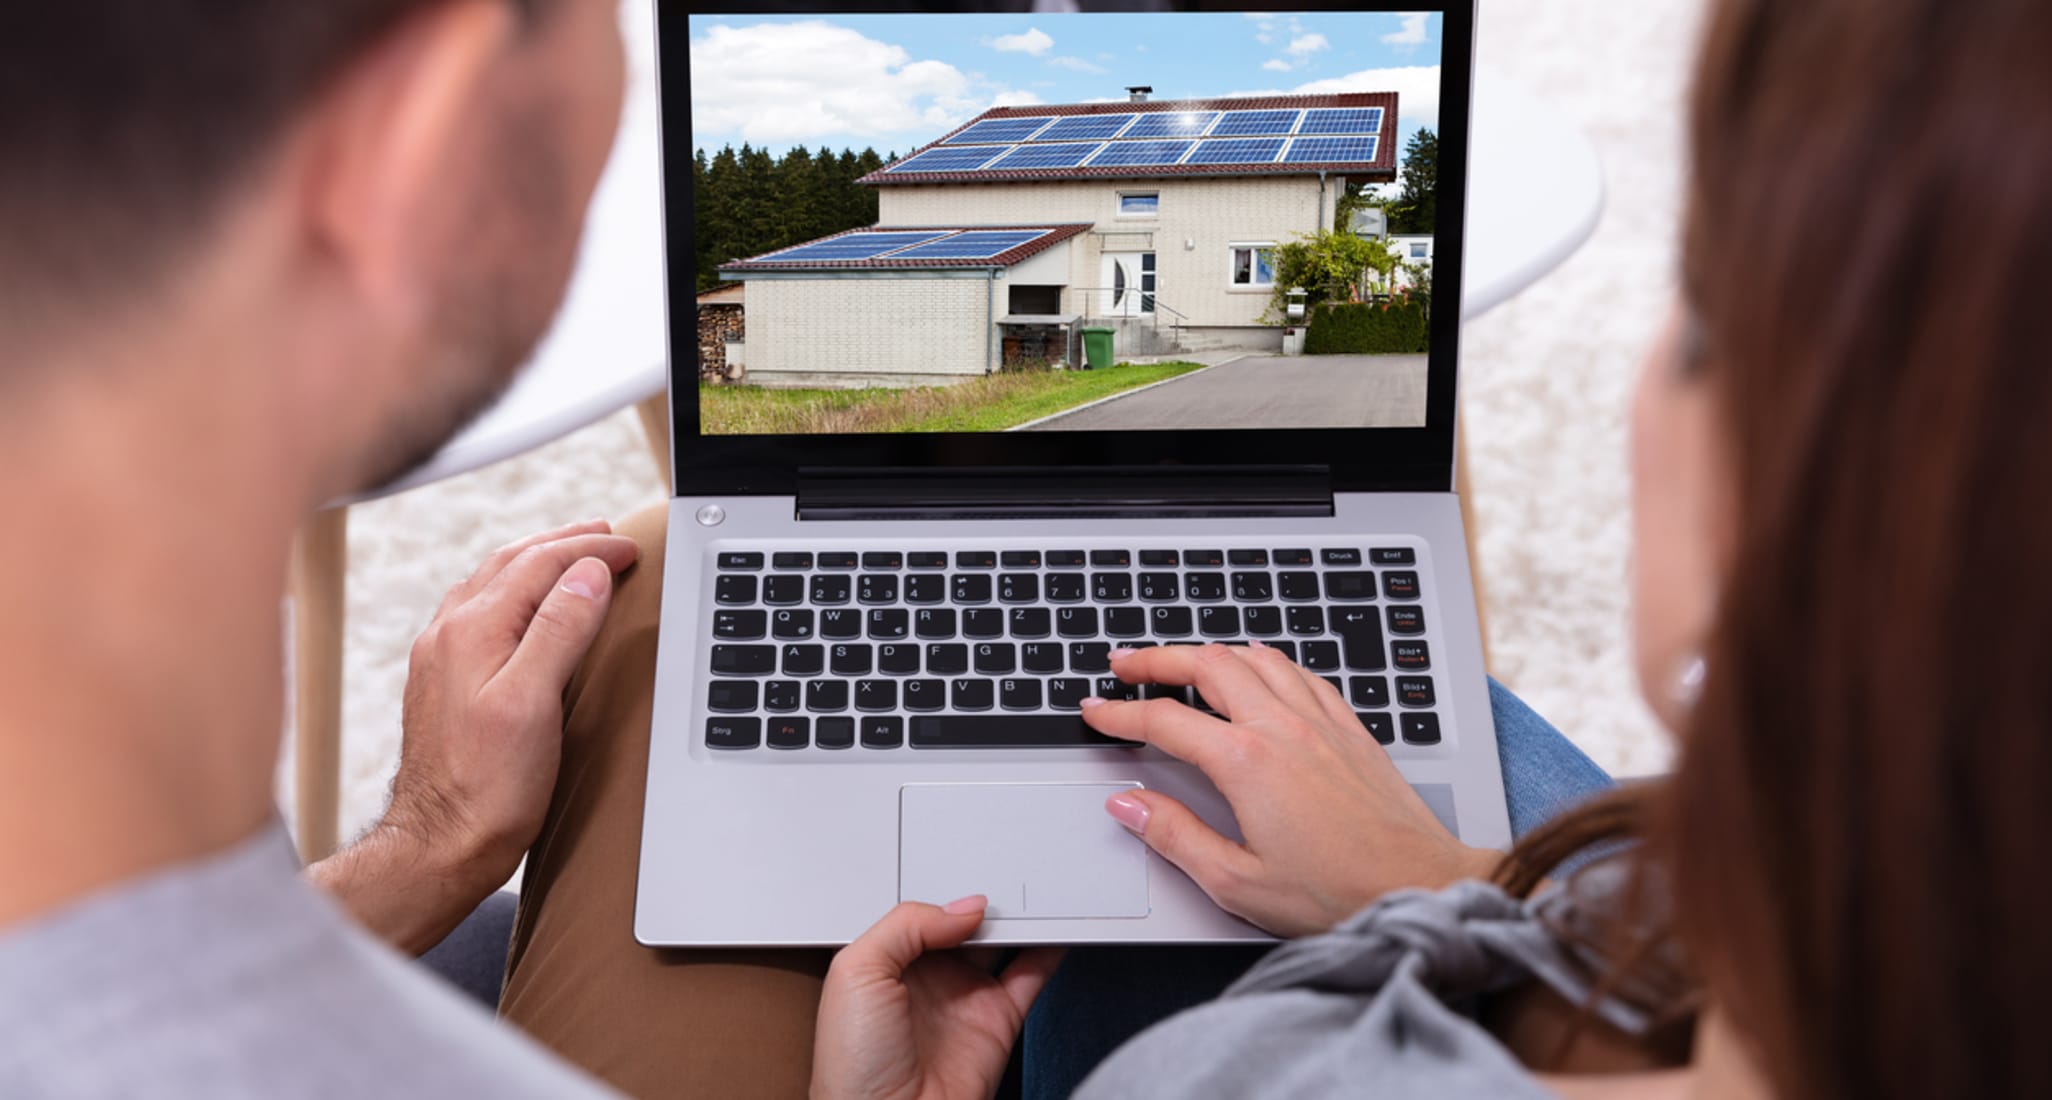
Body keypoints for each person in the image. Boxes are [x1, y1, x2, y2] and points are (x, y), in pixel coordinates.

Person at [500, 0, 2052, 1097]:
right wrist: (1447, 883)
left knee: (653, 577)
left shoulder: (1250, 1076)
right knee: (1414, 718)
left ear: (1795, 506)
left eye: (1705, 317)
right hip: (1467, 894)